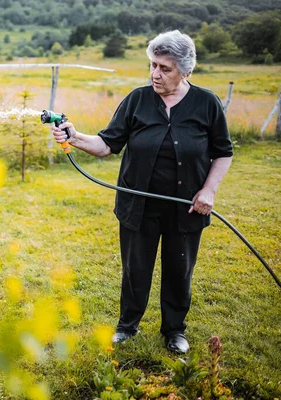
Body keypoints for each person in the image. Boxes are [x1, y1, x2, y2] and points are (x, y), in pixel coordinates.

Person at [52, 30, 233, 354]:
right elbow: (108, 144)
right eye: (152, 65)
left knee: (180, 271)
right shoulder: (137, 99)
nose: (155, 74)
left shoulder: (206, 103)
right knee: (135, 269)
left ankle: (174, 331)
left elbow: (223, 152)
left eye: (165, 68)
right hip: (138, 205)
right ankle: (127, 326)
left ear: (185, 70)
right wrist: (76, 136)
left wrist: (208, 191)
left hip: (187, 207)